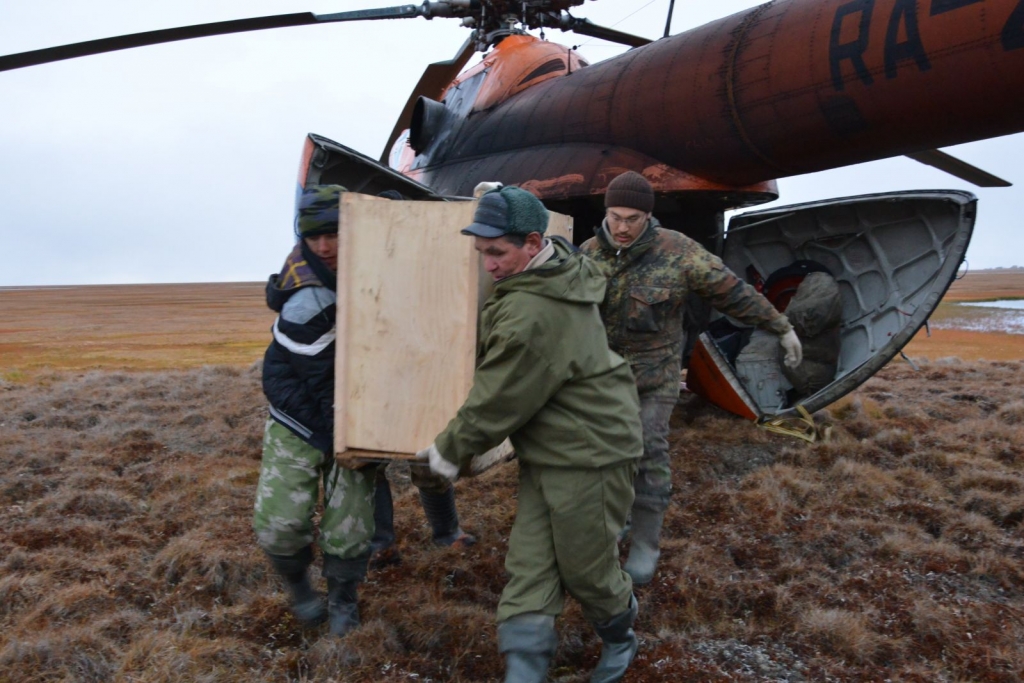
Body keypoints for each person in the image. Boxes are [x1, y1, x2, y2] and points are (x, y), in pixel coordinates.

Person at [416, 185, 645, 683]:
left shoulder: (535, 312)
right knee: (530, 564)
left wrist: (444, 456)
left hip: (592, 452)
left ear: (532, 241)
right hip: (549, 450)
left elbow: (498, 399)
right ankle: (525, 668)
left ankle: (621, 634)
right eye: (482, 253)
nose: (489, 265)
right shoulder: (549, 275)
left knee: (586, 569)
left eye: (497, 252)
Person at [253, 184, 473, 638]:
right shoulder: (305, 296)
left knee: (350, 530)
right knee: (279, 523)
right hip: (304, 418)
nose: (326, 247)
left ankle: (343, 602)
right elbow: (313, 384)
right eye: (315, 237)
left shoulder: (379, 266)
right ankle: (300, 591)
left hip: (361, 415)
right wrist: (350, 437)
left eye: (334, 233)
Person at [580, 171, 802, 586]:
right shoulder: (588, 254)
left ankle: (646, 541)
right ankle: (612, 527)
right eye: (615, 217)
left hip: (654, 378)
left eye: (632, 218)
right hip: (603, 380)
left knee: (648, 450)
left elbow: (731, 291)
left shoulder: (678, 252)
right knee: (604, 457)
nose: (623, 227)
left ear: (648, 216)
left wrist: (780, 325)